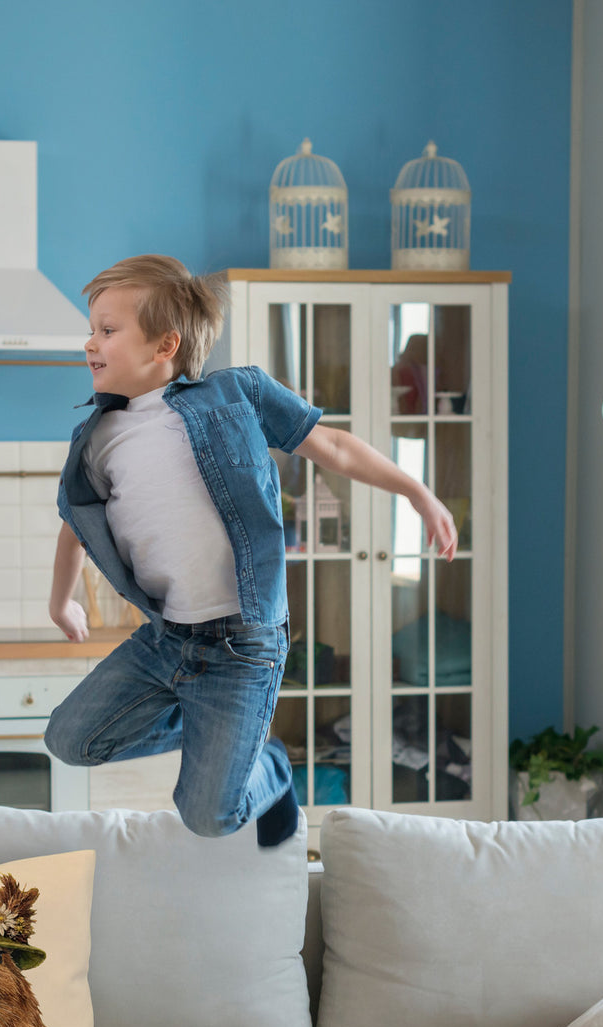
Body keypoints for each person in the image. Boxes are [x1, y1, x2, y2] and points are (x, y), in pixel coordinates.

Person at [46, 255, 457, 848]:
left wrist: (416, 491)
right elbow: (75, 524)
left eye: (107, 330)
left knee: (207, 816)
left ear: (166, 344)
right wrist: (62, 601)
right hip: (167, 640)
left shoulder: (237, 393)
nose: (90, 342)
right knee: (70, 740)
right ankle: (221, 735)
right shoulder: (98, 440)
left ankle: (269, 767)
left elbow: (334, 446)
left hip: (243, 645)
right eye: (91, 329)